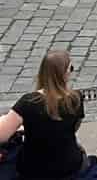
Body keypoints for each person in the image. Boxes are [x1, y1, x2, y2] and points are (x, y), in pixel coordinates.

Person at [0, 49, 84, 179]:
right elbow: (73, 128)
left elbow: (2, 135)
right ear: (65, 73)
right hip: (69, 165)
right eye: (71, 68)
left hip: (35, 169)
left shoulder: (28, 102)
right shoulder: (76, 98)